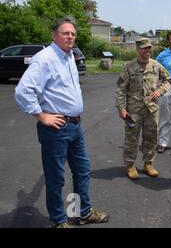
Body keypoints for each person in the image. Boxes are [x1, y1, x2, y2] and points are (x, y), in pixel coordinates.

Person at [15, 16, 109, 228]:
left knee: (81, 171)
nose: (70, 37)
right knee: (56, 177)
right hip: (56, 128)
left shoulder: (68, 56)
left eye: (73, 34)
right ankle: (59, 220)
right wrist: (41, 116)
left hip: (75, 126)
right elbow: (23, 91)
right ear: (54, 35)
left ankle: (81, 213)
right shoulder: (45, 58)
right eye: (65, 33)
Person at [115, 37, 171, 180]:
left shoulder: (156, 65)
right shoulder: (129, 67)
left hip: (151, 109)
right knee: (131, 139)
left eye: (149, 48)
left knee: (151, 138)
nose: (148, 51)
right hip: (133, 111)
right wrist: (121, 108)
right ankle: (130, 165)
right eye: (145, 48)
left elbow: (168, 80)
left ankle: (148, 164)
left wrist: (160, 91)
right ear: (138, 49)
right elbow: (121, 89)